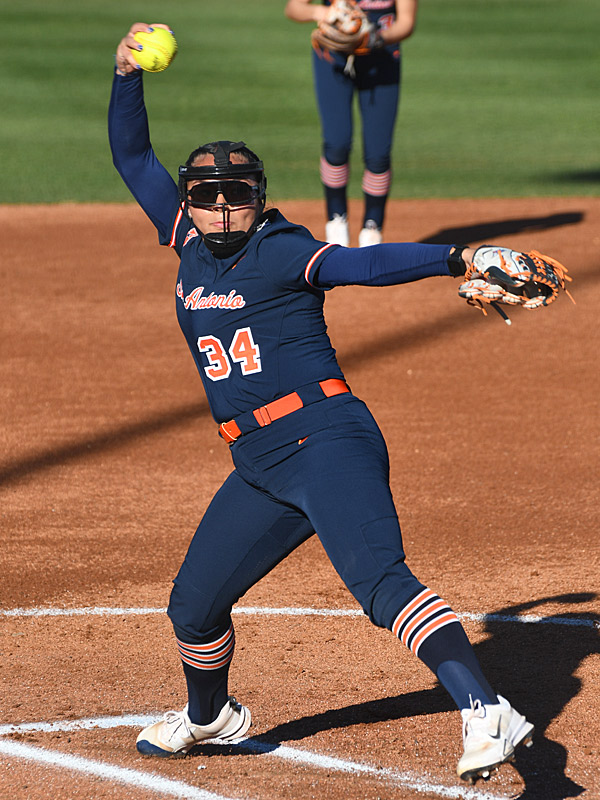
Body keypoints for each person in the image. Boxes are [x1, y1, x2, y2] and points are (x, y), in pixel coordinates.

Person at [109, 22, 535, 785]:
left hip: (326, 439)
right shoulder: (186, 242)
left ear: (257, 199)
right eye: (205, 195)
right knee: (193, 607)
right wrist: (125, 75)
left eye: (236, 194)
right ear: (189, 202)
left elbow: (361, 264)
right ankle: (211, 715)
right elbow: (131, 157)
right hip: (262, 462)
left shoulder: (279, 248)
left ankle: (484, 708)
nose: (220, 207)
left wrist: (456, 257)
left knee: (380, 583)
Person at [284, 0, 418, 247]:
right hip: (332, 58)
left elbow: (406, 22)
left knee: (378, 153)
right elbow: (294, 8)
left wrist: (374, 38)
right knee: (337, 143)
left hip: (383, 59)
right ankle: (336, 219)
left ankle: (372, 226)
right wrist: (322, 12)